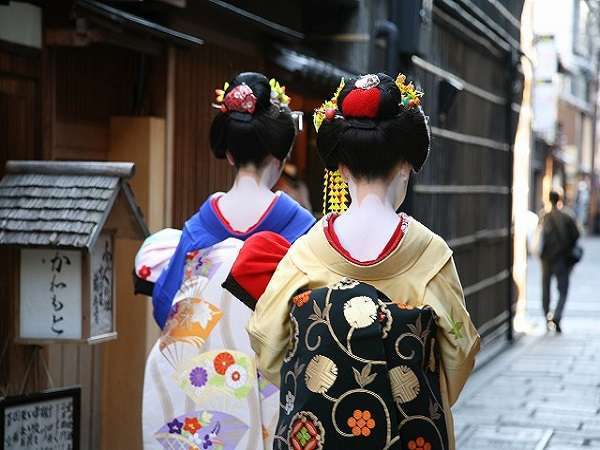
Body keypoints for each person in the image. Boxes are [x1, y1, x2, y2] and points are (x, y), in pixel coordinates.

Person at [225, 73, 480, 450]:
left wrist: (320, 384)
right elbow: (460, 354)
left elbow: (266, 340)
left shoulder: (307, 251)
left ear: (341, 168)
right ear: (406, 164)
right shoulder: (430, 254)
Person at [133, 72, 315, 450]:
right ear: (281, 155)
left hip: (204, 397)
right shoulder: (300, 229)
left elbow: (165, 309)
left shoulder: (199, 228)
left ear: (229, 153)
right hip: (273, 392)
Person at [540, 190, 580, 333]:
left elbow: (539, 239)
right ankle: (557, 315)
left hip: (546, 258)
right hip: (561, 258)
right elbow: (576, 234)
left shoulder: (544, 217)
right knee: (563, 289)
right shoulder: (567, 217)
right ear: (559, 200)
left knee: (546, 288)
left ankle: (546, 316)